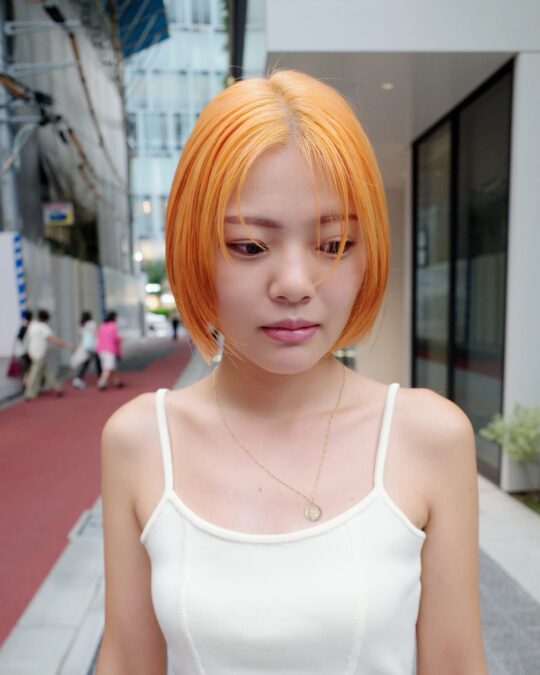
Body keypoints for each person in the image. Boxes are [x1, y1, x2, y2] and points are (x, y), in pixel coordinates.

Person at [96, 71, 487, 674]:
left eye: (333, 244)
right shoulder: (140, 440)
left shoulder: (430, 436)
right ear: (193, 248)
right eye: (249, 246)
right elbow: (126, 660)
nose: (296, 285)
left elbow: (457, 663)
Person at [24, 309, 74, 400]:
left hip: (32, 353)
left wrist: (29, 352)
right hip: (39, 353)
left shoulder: (32, 325)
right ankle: (29, 393)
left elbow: (28, 339)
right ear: (46, 319)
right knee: (34, 374)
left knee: (47, 373)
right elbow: (53, 340)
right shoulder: (43, 327)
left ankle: (57, 388)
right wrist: (67, 345)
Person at [72, 311, 102, 389]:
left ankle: (78, 379)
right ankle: (101, 380)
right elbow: (96, 334)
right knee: (97, 362)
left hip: (86, 347)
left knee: (86, 362)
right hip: (93, 346)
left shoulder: (82, 325)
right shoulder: (92, 323)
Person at [96, 311, 123, 390]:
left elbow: (98, 337)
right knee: (108, 367)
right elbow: (116, 338)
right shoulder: (113, 326)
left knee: (111, 366)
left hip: (101, 349)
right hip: (110, 349)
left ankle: (117, 382)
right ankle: (101, 382)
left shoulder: (102, 326)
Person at [13, 309, 33, 385]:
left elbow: (17, 339)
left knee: (25, 368)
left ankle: (25, 384)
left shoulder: (22, 327)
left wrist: (14, 351)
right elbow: (27, 342)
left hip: (21, 351)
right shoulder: (27, 328)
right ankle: (26, 384)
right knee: (27, 368)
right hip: (26, 352)